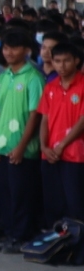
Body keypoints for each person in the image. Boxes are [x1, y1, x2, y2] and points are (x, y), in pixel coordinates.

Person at [0, 27, 44, 253]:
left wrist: (21, 147)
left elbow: (35, 116)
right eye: (6, 48)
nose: (9, 53)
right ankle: (10, 234)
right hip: (0, 146)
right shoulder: (1, 78)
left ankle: (21, 236)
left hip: (23, 149)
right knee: (4, 195)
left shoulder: (33, 78)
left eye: (15, 48)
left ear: (27, 50)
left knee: (21, 196)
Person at [37, 40, 84, 225]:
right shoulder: (50, 86)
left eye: (66, 61)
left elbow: (82, 121)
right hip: (50, 154)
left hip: (75, 155)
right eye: (57, 61)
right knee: (53, 203)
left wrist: (62, 144)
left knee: (75, 204)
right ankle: (57, 241)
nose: (61, 66)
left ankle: (77, 242)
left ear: (76, 61)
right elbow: (44, 119)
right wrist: (44, 146)